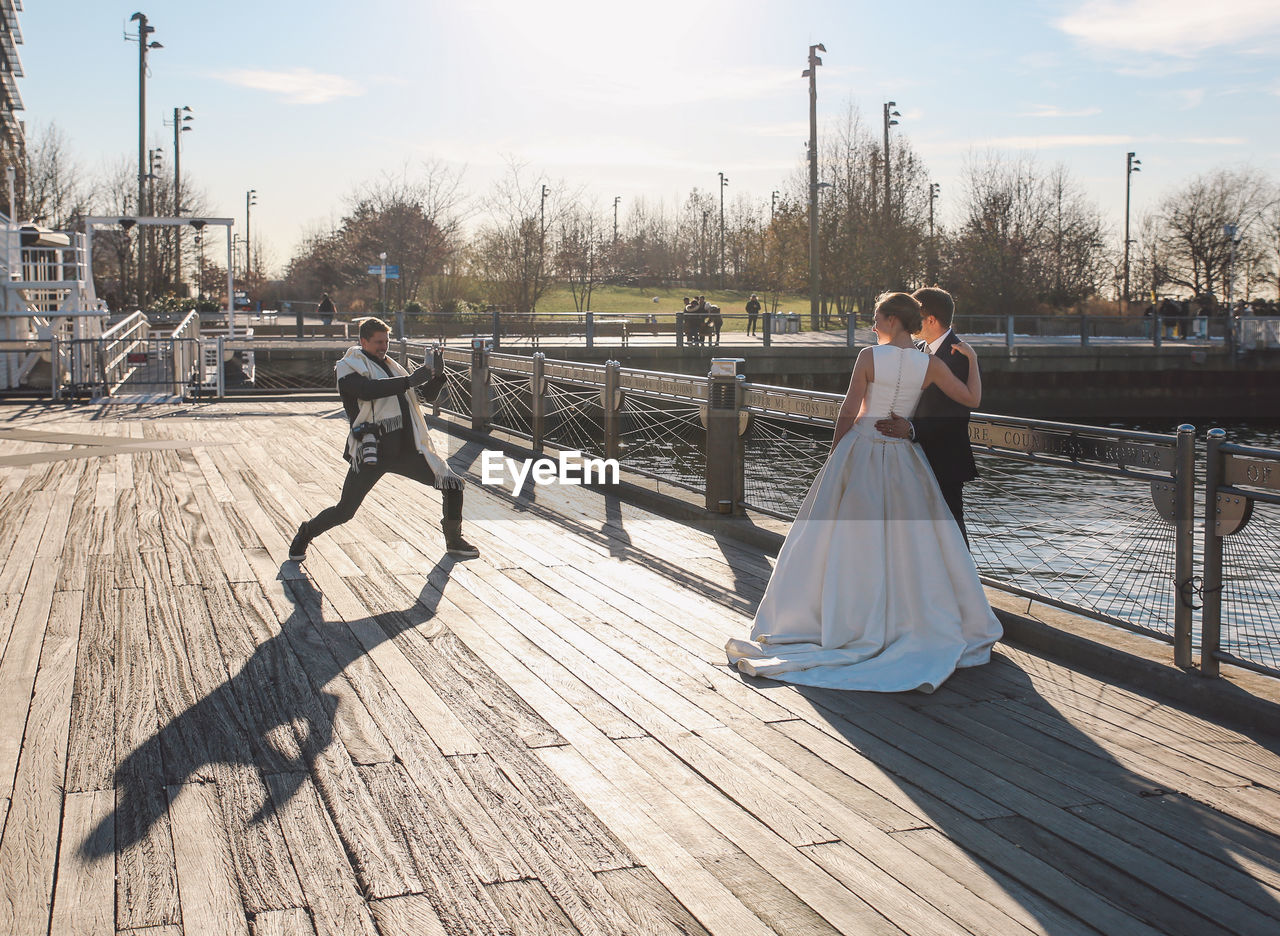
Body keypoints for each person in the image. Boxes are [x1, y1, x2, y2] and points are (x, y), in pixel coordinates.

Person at [724, 292, 1001, 693]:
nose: (873, 326)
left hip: (863, 450)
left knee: (843, 540)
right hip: (905, 459)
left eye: (876, 319)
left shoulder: (869, 358)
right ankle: (900, 620)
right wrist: (973, 360)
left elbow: (849, 411)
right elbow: (972, 400)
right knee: (907, 545)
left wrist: (836, 456)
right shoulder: (932, 364)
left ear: (892, 320)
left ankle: (846, 618)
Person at [289, 317, 480, 562]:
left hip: (407, 449)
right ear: (363, 341)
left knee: (452, 484)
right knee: (345, 511)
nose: (384, 347)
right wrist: (411, 380)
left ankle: (454, 541)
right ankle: (306, 532)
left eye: (387, 341)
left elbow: (420, 397)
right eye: (378, 342)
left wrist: (436, 375)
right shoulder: (348, 367)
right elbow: (367, 390)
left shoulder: (391, 367)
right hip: (372, 451)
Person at [874, 287, 977, 545]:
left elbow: (955, 413)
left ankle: (962, 583)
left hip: (945, 459)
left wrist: (911, 429)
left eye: (916, 314)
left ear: (930, 320)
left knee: (951, 526)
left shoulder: (959, 355)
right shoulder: (918, 348)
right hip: (915, 456)